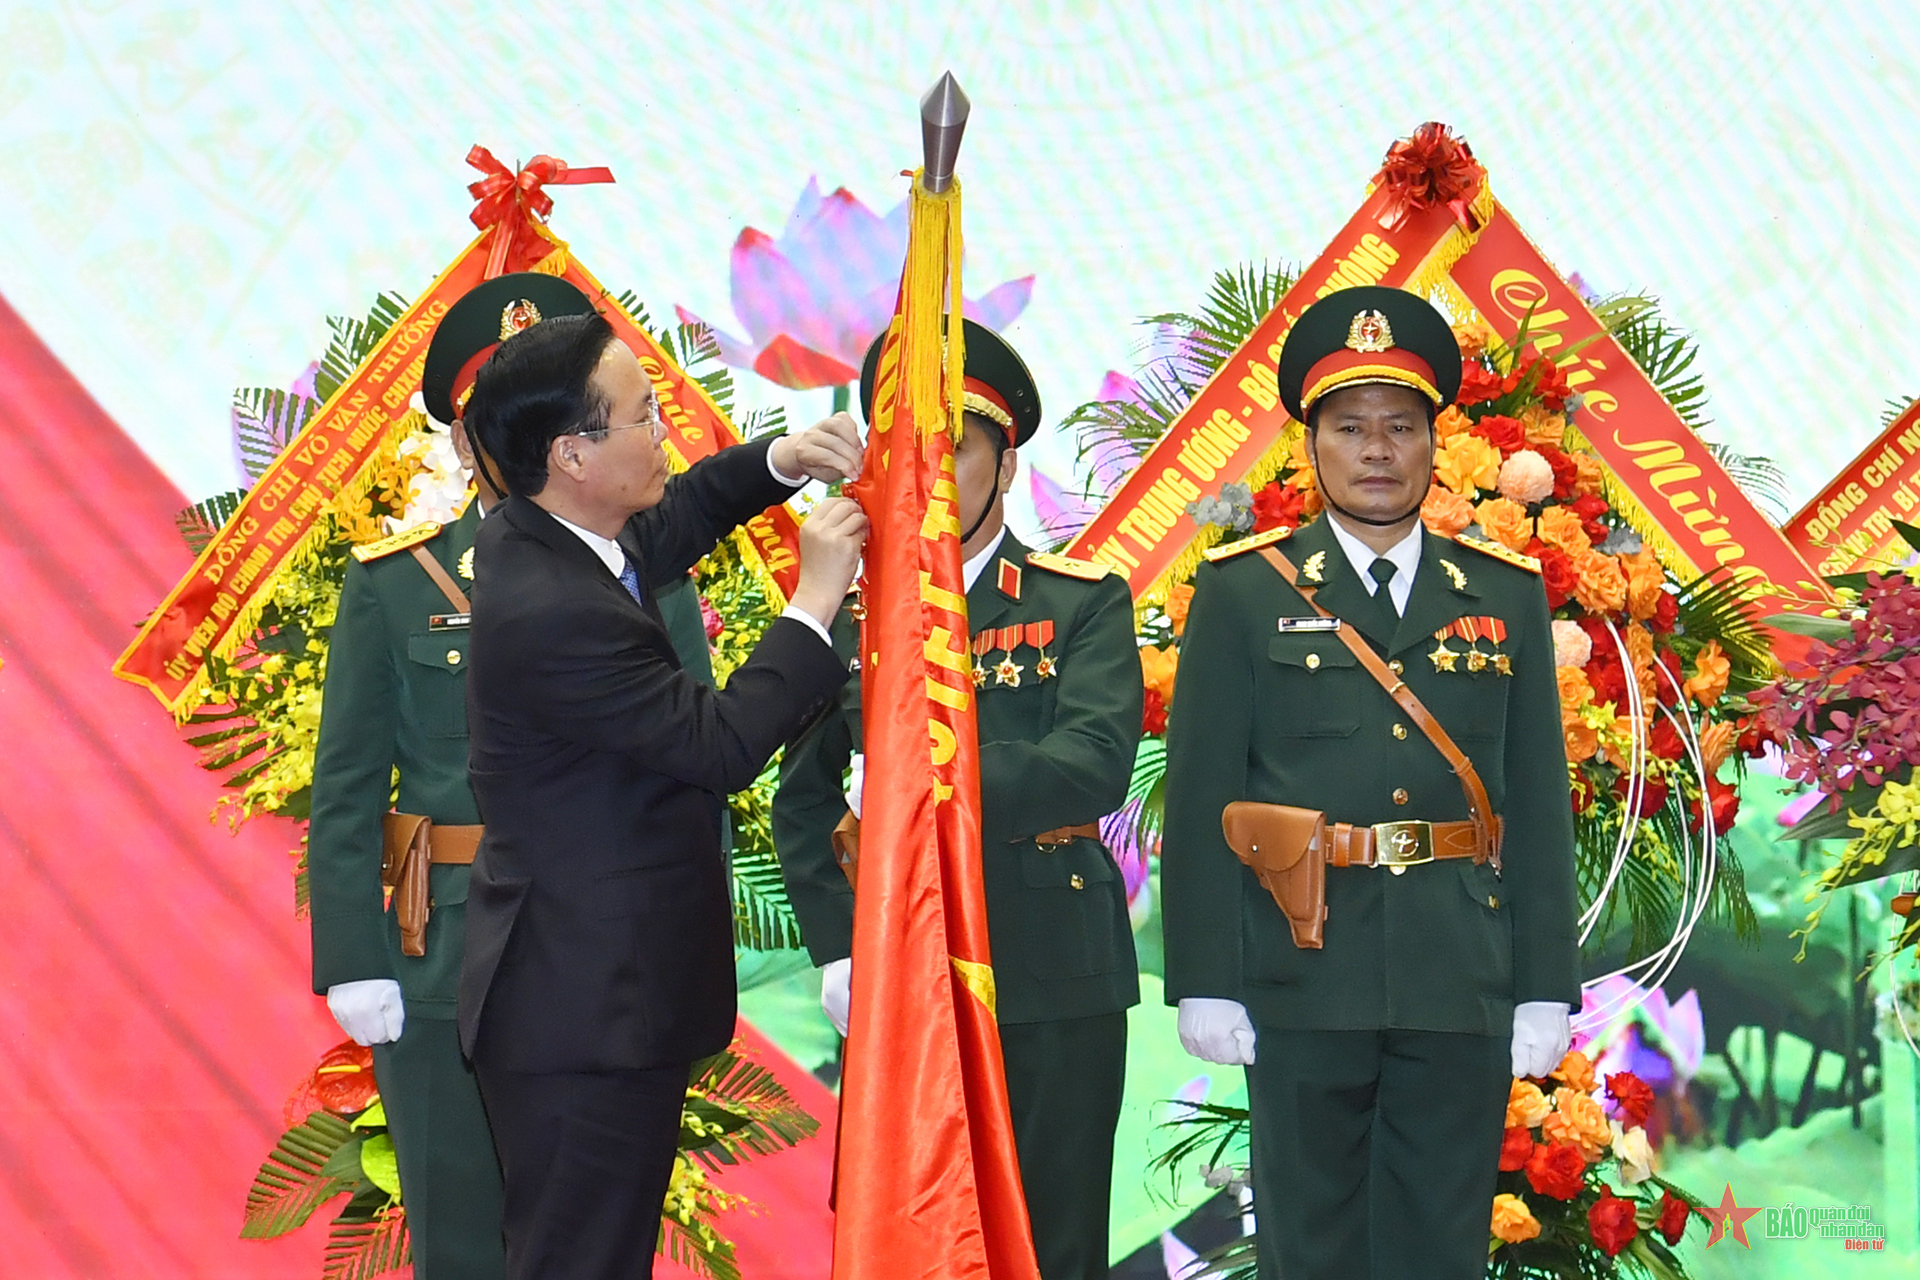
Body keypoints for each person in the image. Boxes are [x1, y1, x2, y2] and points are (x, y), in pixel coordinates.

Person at [1160, 285, 1581, 1280]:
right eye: (1350, 427)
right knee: (1308, 1245)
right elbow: (1201, 793)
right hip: (1302, 968)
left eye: (1400, 426)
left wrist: (1543, 987)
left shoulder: (1506, 594)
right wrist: (1206, 975)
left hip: (1456, 968)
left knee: (1440, 1246)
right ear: (1313, 446)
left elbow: (1537, 801)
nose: (1378, 448)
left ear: (1436, 444)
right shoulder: (1241, 589)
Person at [456, 308, 868, 1280]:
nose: (665, 434)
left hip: (597, 994)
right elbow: (718, 743)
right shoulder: (554, 610)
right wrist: (813, 602)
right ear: (572, 453)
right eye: (644, 416)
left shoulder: (552, 532)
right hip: (580, 1010)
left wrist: (780, 459)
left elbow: (671, 518)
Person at [773, 320, 1142, 1280]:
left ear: (1007, 462)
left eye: (956, 448)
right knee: (909, 1237)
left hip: (1050, 967)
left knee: (1053, 1240)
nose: (928, 473)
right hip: (900, 965)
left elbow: (1094, 760)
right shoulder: (852, 610)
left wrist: (915, 787)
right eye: (905, 450)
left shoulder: (1078, 601)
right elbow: (802, 796)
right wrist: (836, 947)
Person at [309, 272, 634, 1278]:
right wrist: (353, 957)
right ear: (461, 439)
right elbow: (348, 788)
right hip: (444, 954)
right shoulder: (394, 588)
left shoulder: (643, 576)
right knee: (460, 1241)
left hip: (602, 957)